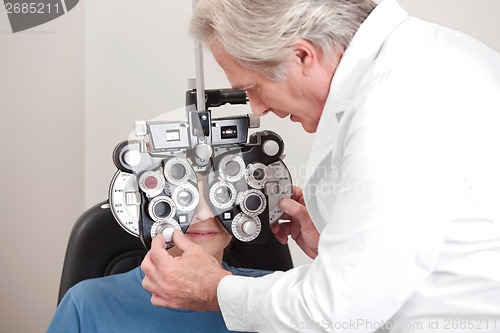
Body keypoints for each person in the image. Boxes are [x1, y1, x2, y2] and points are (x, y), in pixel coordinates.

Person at [140, 0, 500, 332]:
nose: (257, 109)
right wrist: (341, 240)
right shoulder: (437, 53)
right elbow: (423, 252)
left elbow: (338, 309)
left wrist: (216, 290)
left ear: (302, 56)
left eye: (253, 88)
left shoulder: (394, 108)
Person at [47, 175, 271, 333]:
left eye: (221, 195)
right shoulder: (87, 303)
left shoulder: (275, 295)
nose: (205, 213)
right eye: (185, 197)